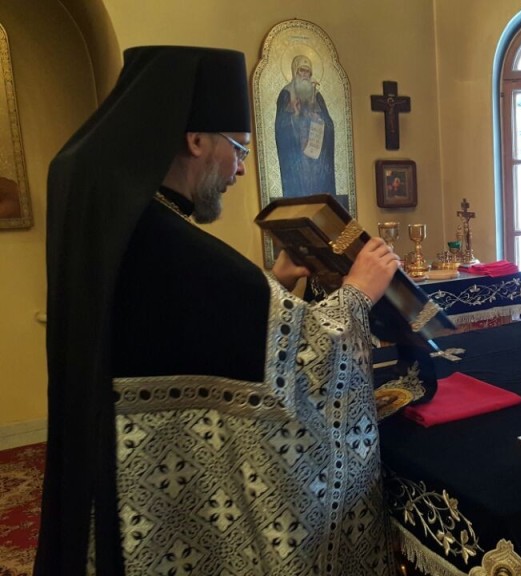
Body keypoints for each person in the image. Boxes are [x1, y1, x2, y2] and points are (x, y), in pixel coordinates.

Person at [37, 46, 400, 575]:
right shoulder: (167, 241)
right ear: (196, 140)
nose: (240, 168)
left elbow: (200, 322)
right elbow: (306, 357)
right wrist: (358, 292)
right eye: (238, 148)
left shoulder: (129, 222)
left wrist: (271, 283)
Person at [275, 54, 337, 200]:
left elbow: (329, 126)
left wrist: (319, 121)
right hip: (296, 162)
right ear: (294, 71)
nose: (304, 75)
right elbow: (280, 128)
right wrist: (295, 116)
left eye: (307, 71)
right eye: (301, 71)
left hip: (317, 161)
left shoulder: (317, 95)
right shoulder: (286, 94)